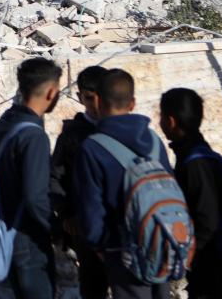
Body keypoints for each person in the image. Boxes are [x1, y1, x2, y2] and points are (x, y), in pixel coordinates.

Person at [74, 69, 172, 299]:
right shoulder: (153, 141)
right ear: (133, 102)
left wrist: (100, 245)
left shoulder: (92, 148)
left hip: (122, 249)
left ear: (98, 101)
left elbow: (90, 207)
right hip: (161, 242)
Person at [0, 57, 62, 299]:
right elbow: (35, 197)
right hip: (27, 237)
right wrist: (56, 229)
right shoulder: (34, 136)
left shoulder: (6, 123)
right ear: (50, 92)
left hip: (3, 232)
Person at [159, 88, 222, 299]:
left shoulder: (196, 164)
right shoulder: (195, 153)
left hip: (212, 265)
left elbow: (208, 220)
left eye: (161, 116)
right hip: (213, 262)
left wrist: (189, 253)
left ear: (171, 121)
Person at [49, 66, 109, 299]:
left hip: (119, 224)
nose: (96, 104)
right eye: (89, 98)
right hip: (86, 226)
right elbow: (55, 176)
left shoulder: (119, 129)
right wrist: (66, 213)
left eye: (100, 97)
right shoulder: (72, 135)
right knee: (94, 287)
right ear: (80, 97)